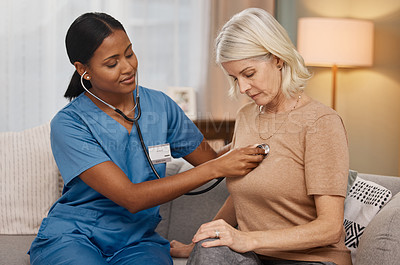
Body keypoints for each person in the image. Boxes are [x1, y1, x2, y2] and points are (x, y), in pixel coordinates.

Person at [28, 12, 266, 265]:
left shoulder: (160, 106)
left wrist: (256, 136)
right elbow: (131, 197)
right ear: (83, 70)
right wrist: (216, 167)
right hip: (74, 236)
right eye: (112, 63)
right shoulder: (70, 124)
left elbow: (213, 162)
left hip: (137, 241)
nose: (128, 67)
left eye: (129, 54)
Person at [170, 8, 351, 265]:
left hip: (312, 260)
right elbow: (245, 196)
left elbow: (330, 227)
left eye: (249, 74)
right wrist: (196, 244)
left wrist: (248, 239)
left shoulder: (321, 123)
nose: (242, 88)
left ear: (277, 58)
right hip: (256, 257)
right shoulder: (247, 116)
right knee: (208, 249)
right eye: (234, 78)